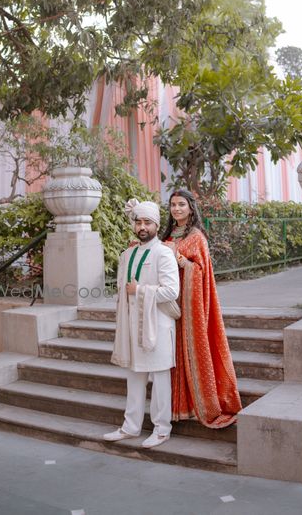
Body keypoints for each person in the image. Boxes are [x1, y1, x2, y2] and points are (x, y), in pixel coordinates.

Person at [161, 189, 242, 428]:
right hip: (168, 301)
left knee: (190, 349)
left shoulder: (196, 236)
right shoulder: (167, 234)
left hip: (188, 304)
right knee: (172, 352)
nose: (176, 209)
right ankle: (175, 407)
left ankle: (199, 405)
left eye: (181, 205)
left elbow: (201, 271)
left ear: (190, 208)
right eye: (173, 205)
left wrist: (180, 260)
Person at [103, 198, 180, 448]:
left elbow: (172, 291)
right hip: (131, 325)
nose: (142, 227)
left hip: (157, 325)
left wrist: (140, 290)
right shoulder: (127, 254)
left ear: (156, 225)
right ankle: (130, 427)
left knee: (160, 379)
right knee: (134, 376)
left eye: (148, 222)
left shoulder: (163, 253)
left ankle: (162, 429)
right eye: (138, 222)